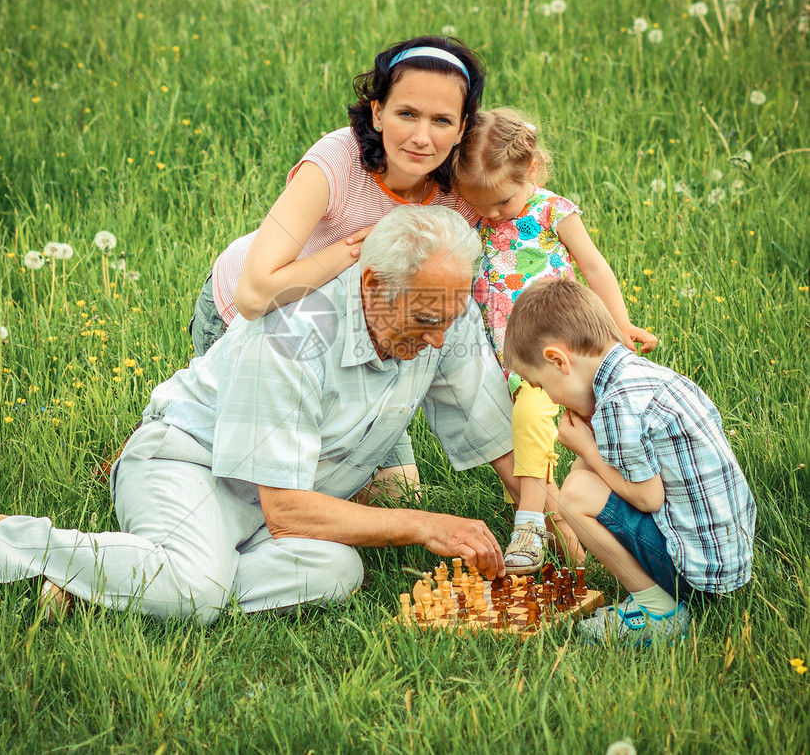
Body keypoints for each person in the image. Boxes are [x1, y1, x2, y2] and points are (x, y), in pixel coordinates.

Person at [0, 207, 517, 624]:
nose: (441, 338)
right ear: (372, 284)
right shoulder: (293, 331)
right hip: (190, 466)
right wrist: (426, 525)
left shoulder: (444, 308)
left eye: (450, 317)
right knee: (198, 595)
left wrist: (552, 517)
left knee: (339, 573)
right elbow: (288, 510)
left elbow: (484, 422)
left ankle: (113, 580)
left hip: (278, 499)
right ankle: (2, 539)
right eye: (423, 319)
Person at [190, 35, 486, 501]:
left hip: (364, 339)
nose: (422, 136)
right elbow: (254, 295)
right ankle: (154, 454)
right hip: (265, 327)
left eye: (442, 120)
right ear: (377, 112)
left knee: (398, 497)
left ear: (463, 128)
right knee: (263, 488)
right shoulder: (337, 161)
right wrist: (355, 252)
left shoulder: (462, 190)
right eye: (407, 113)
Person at [452, 108, 658, 575]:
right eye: (478, 204)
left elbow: (595, 267)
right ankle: (572, 558)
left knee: (531, 416)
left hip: (558, 355)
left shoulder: (550, 210)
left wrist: (619, 328)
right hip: (509, 363)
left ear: (532, 170)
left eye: (501, 202)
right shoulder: (479, 218)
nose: (490, 213)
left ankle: (528, 524)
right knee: (526, 451)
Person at [503, 279, 756, 645]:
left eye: (539, 385)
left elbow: (647, 498)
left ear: (558, 361)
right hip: (725, 555)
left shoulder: (617, 404)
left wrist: (587, 448)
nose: (548, 398)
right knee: (585, 479)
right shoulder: (641, 376)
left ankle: (659, 610)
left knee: (574, 495)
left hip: (697, 573)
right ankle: (662, 597)